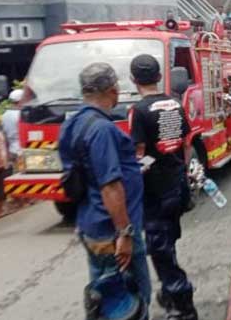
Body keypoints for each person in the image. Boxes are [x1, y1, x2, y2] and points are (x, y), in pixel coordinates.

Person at [58, 63, 151, 315]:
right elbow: (110, 185)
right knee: (133, 303)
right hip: (112, 233)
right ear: (113, 90)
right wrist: (125, 233)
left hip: (92, 224)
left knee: (106, 301)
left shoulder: (73, 124)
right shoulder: (102, 130)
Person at [128, 55, 198, 320]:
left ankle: (183, 306)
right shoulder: (175, 104)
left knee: (160, 249)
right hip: (177, 185)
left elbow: (141, 156)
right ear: (159, 77)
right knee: (168, 243)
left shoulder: (139, 110)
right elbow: (187, 143)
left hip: (155, 191)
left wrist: (137, 171)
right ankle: (171, 293)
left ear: (134, 80)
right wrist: (180, 168)